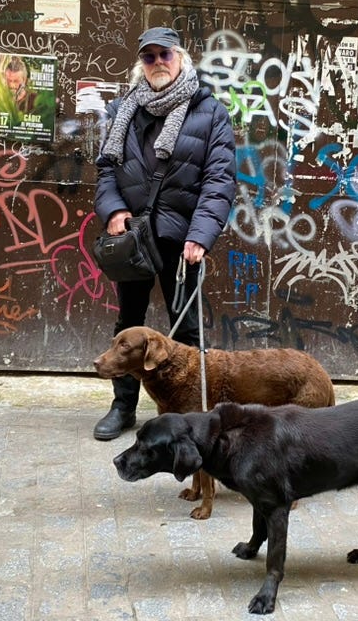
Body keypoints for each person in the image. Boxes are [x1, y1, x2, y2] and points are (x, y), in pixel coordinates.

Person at [93, 26, 237, 440]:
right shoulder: (125, 109)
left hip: (181, 238)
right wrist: (114, 210)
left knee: (185, 329)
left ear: (181, 59)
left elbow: (219, 179)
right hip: (133, 237)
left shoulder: (210, 112)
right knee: (128, 326)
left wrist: (201, 235)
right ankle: (123, 408)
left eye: (164, 55)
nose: (157, 63)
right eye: (149, 57)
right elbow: (106, 169)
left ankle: (190, 411)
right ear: (141, 63)